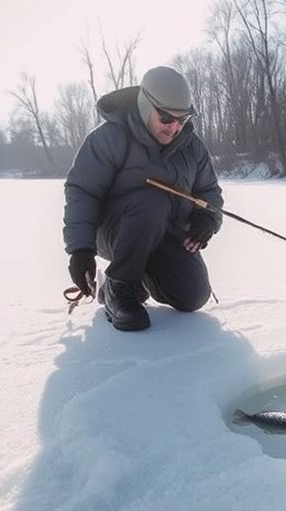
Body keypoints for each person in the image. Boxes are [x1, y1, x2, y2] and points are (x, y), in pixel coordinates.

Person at [63, 66, 223, 331]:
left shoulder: (192, 147)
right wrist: (80, 251)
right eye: (166, 118)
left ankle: (134, 280)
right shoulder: (109, 139)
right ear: (146, 105)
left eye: (182, 119)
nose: (175, 127)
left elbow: (209, 192)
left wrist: (207, 217)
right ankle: (119, 287)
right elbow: (83, 192)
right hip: (116, 231)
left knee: (193, 296)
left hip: (165, 232)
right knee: (153, 200)